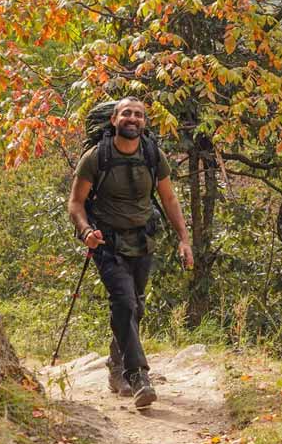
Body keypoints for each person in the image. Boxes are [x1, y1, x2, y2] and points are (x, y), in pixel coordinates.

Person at [67, 98, 193, 408]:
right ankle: (138, 376)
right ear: (114, 120)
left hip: (143, 240)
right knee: (123, 300)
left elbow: (169, 199)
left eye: (138, 114)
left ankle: (115, 367)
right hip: (106, 242)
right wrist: (86, 232)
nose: (132, 118)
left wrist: (183, 239)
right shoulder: (96, 157)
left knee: (134, 307)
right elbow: (75, 203)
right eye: (126, 113)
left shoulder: (152, 155)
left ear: (144, 122)